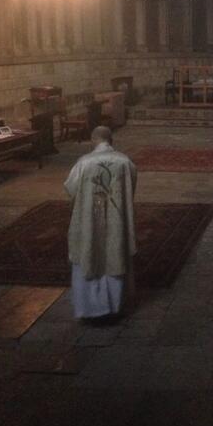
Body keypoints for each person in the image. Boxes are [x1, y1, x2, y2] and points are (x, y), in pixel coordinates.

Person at [64, 126, 137, 322]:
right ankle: (113, 307)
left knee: (88, 251)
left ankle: (88, 309)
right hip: (116, 219)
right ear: (111, 140)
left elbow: (71, 189)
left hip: (89, 219)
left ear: (92, 140)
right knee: (114, 252)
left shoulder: (83, 162)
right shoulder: (124, 161)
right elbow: (131, 187)